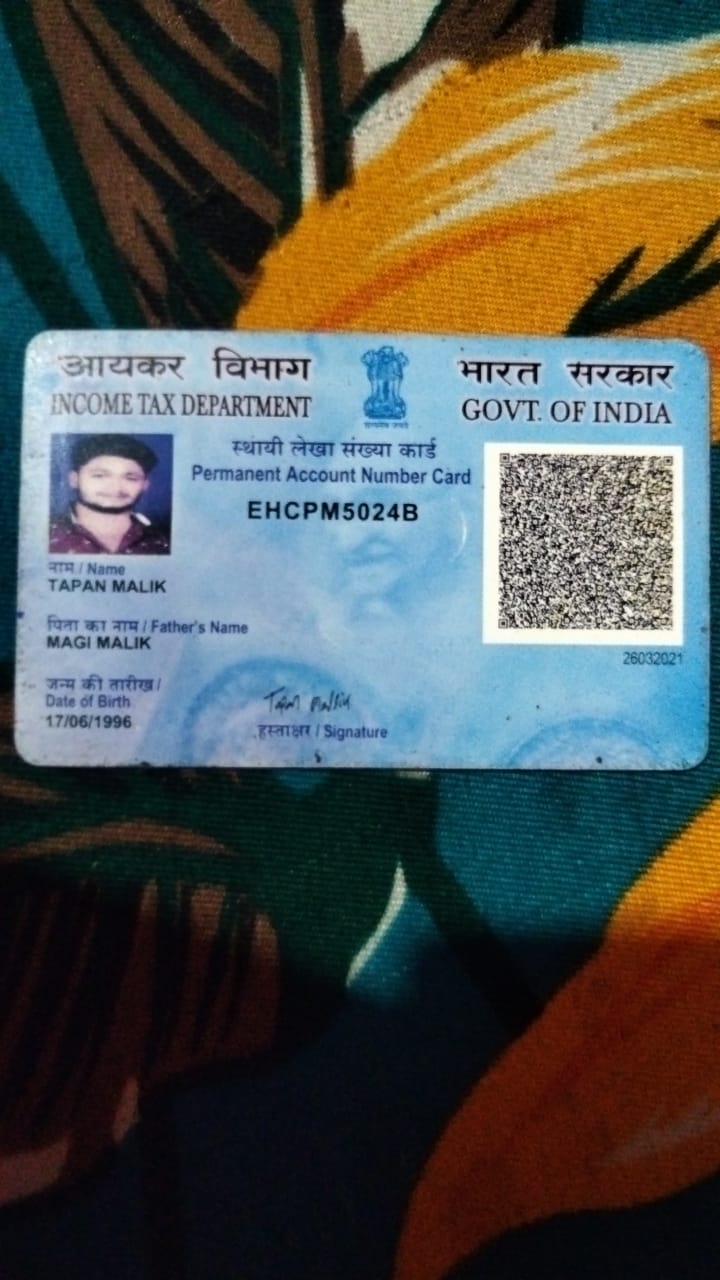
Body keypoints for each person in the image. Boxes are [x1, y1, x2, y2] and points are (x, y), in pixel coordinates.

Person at [49, 434, 170, 554]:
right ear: (74, 480)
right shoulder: (44, 534)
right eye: (100, 476)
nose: (115, 487)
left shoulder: (165, 541)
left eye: (131, 478)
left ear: (145, 485)